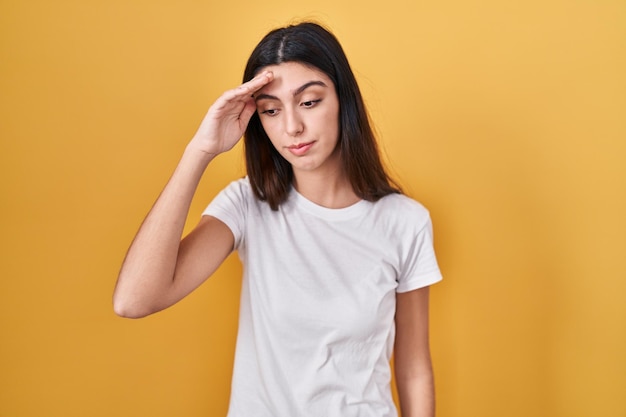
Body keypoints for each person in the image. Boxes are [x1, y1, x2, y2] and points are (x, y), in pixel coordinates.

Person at [113, 21, 442, 417]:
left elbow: (413, 368)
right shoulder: (247, 205)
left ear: (343, 100)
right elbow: (134, 300)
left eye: (309, 102)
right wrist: (200, 150)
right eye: (271, 109)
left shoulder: (405, 222)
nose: (291, 127)